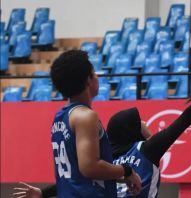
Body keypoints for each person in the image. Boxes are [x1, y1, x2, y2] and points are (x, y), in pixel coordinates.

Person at [13, 68, 191, 198]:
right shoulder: (149, 148)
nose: (145, 122)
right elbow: (186, 118)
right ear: (133, 129)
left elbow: (79, 176)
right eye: (140, 120)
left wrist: (43, 194)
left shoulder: (103, 158)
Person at [36, 50, 141, 198]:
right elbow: (89, 168)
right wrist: (126, 170)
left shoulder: (60, 116)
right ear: (88, 80)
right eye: (94, 73)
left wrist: (122, 177)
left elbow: (78, 174)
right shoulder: (86, 117)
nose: (97, 76)